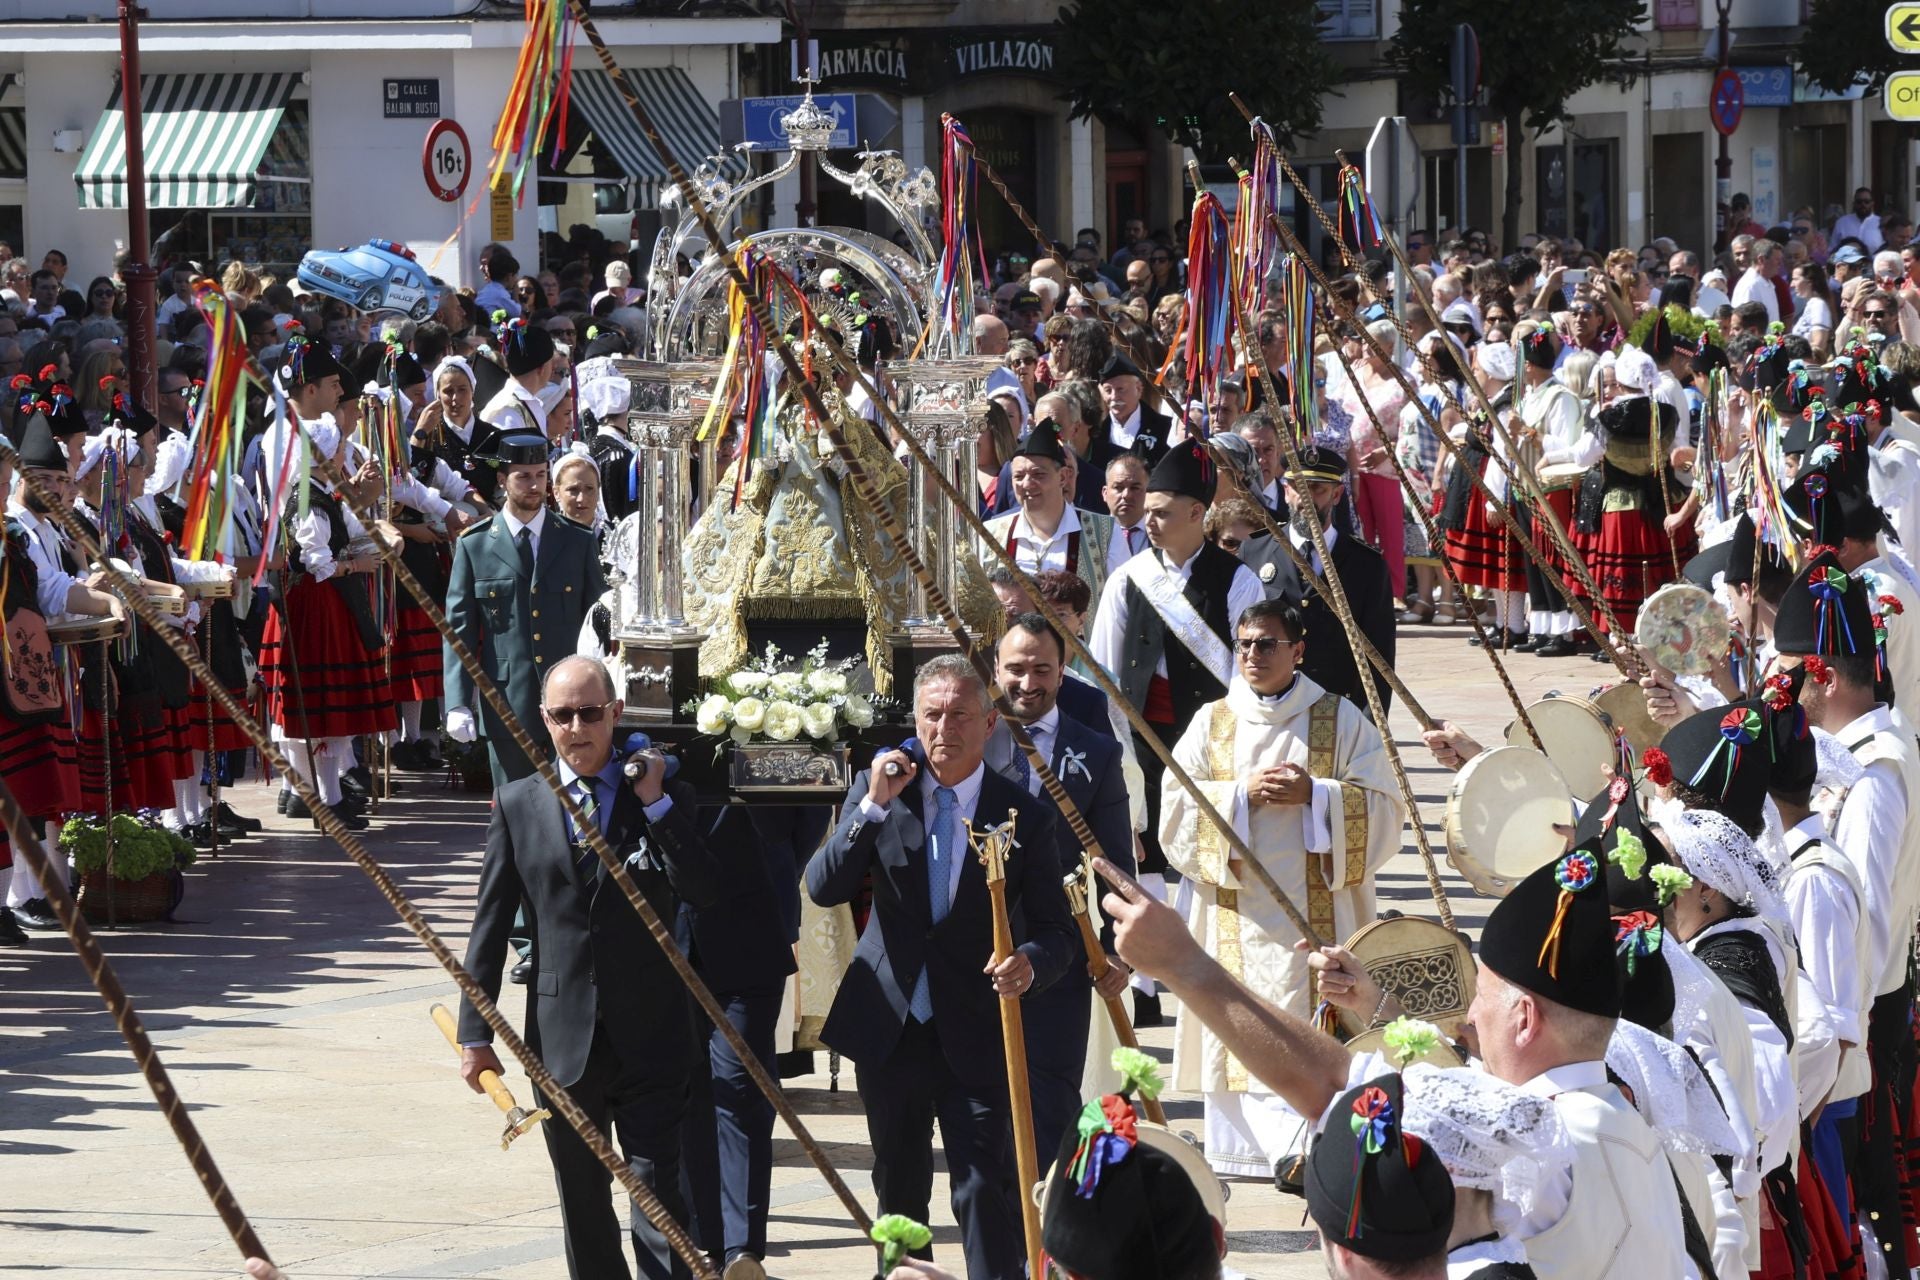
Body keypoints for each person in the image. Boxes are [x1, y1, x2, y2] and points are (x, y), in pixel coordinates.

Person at [804, 655, 1074, 1279]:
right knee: (898, 1190)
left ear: (988, 723)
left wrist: (1029, 964)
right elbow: (823, 887)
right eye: (931, 715)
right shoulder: (880, 793)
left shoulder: (1023, 814)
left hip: (977, 1027)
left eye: (958, 715)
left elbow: (1057, 931)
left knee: (983, 1187)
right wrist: (872, 806)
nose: (943, 728)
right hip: (891, 1024)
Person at [457, 656, 720, 1280]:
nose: (577, 728)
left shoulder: (660, 793)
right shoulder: (518, 804)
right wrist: (474, 1034)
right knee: (582, 1201)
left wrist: (655, 804)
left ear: (616, 713)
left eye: (590, 713)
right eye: (563, 715)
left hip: (654, 1034)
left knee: (659, 1198)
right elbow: (489, 925)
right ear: (545, 720)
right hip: (561, 1038)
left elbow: (705, 890)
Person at [1158, 598, 1403, 1176]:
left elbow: (1385, 808)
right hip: (1235, 915)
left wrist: (1317, 796)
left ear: (1298, 650)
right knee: (1240, 1016)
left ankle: (1310, 1141)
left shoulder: (1340, 718)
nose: (1253, 654)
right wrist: (1238, 797)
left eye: (1267, 644)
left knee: (1309, 1016)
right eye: (1244, 644)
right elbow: (1175, 806)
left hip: (1318, 916)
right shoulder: (1213, 720)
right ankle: (1259, 1149)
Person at [1087, 440, 1261, 1023]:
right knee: (1143, 848)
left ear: (1195, 513)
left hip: (1210, 738)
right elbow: (1105, 669)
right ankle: (1143, 979)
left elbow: (1247, 671)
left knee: (1201, 850)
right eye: (1148, 512)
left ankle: (1201, 965)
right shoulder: (1128, 579)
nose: (1149, 521)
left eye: (1161, 512)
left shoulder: (1237, 581)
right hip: (1140, 736)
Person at [983, 613, 1134, 1158]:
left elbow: (1114, 859)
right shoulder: (967, 736)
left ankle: (1052, 1208)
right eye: (1016, 669)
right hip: (974, 947)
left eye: (1042, 670)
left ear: (1064, 668)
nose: (1028, 683)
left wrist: (1117, 951)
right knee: (983, 1107)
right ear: (995, 668)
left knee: (1052, 1100)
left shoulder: (1096, 751)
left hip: (1060, 949)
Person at [444, 430, 608, 786]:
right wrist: (457, 700)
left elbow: (599, 622)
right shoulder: (475, 546)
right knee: (513, 805)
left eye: (540, 475)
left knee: (572, 802)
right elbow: (460, 629)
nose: (534, 486)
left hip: (572, 707)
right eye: (523, 476)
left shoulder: (576, 540)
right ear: (502, 481)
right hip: (507, 703)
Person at [1237, 443, 1396, 713]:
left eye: (1318, 489)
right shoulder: (1255, 551)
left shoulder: (1366, 564)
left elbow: (1379, 652)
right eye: (1299, 488)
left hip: (1336, 706)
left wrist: (1370, 723)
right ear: (1286, 491)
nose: (1307, 499)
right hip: (1270, 705)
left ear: (1337, 495)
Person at [980, 418, 1115, 609]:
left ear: (1063, 477)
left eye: (1038, 474)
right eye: (1018, 476)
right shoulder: (990, 533)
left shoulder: (1106, 531)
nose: (1027, 484)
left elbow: (1120, 606)